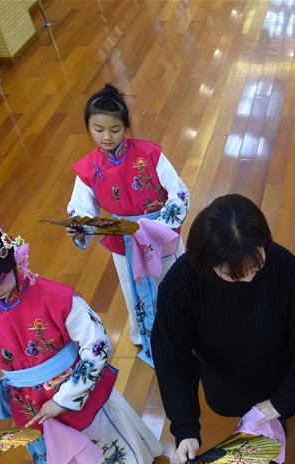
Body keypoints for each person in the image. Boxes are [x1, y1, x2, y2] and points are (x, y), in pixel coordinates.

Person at [0, 203, 162, 464]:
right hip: (30, 402)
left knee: (104, 432)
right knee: (67, 445)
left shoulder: (55, 297)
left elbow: (97, 345)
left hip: (76, 386)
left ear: (13, 261)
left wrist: (65, 397)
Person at [151, 194, 295, 464]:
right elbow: (172, 358)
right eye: (234, 275)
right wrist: (185, 426)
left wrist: (282, 401)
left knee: (273, 424)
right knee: (241, 416)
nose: (248, 278)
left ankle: (268, 460)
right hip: (224, 379)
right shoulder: (180, 287)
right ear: (206, 263)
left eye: (256, 267)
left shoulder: (289, 273)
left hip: (279, 372)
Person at [67, 83, 190, 364]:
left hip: (158, 231)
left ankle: (185, 330)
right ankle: (144, 335)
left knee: (173, 280)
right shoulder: (87, 169)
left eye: (115, 129)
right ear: (88, 126)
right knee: (131, 286)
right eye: (98, 129)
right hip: (123, 237)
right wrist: (79, 226)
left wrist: (163, 222)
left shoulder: (148, 154)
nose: (107, 137)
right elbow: (82, 209)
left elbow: (178, 191)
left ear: (125, 127)